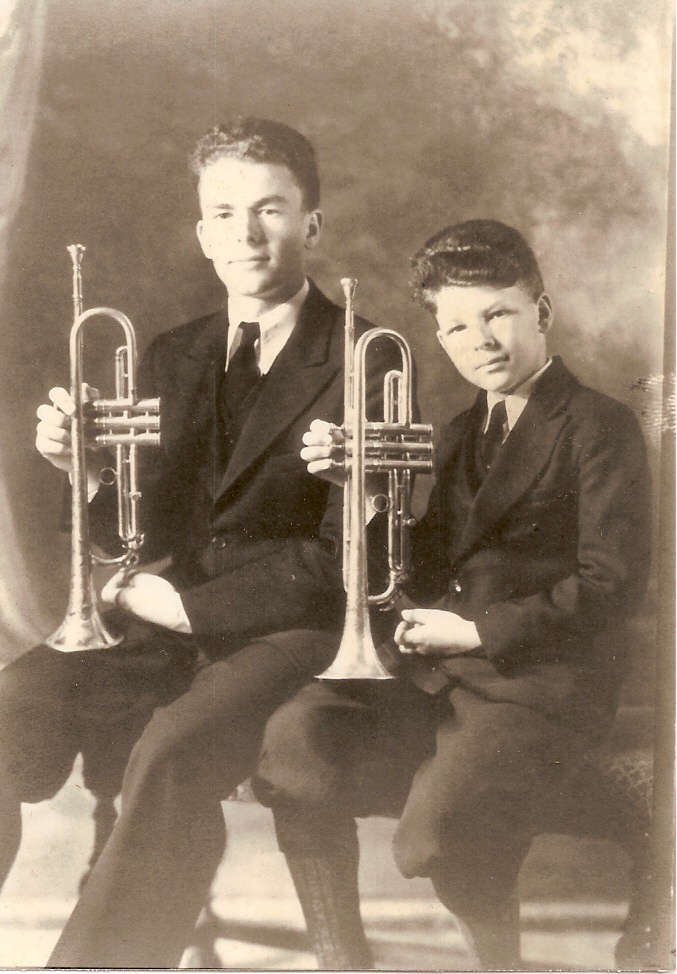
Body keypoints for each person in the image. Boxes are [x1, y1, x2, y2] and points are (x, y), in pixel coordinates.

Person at [0, 116, 400, 968]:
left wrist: (190, 606)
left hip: (288, 629)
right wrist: (88, 474)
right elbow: (131, 531)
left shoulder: (362, 355)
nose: (245, 234)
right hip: (161, 618)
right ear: (201, 230)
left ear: (311, 225)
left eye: (270, 210)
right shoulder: (170, 352)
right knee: (8, 706)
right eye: (222, 213)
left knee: (173, 750)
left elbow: (341, 559)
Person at [251, 219, 653, 970]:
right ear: (437, 337)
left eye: (497, 313)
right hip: (439, 679)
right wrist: (363, 496)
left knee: (435, 840)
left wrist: (471, 635)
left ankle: (497, 962)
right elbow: (416, 569)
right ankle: (341, 960)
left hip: (534, 686)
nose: (481, 341)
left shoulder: (599, 427)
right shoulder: (461, 430)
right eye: (456, 326)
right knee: (295, 738)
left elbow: (610, 586)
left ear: (541, 310)